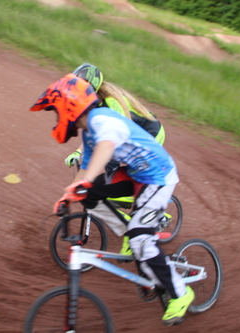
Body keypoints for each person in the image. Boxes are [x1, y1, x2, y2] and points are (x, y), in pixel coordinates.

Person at [29, 73, 194, 326]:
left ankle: (181, 293)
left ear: (69, 106)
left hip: (158, 176)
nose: (56, 118)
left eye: (56, 112)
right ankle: (130, 232)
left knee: (141, 238)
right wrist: (70, 192)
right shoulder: (88, 132)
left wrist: (83, 182)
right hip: (136, 174)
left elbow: (106, 147)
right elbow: (86, 169)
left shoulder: (101, 119)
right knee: (90, 192)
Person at [64, 63, 166, 168]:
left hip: (151, 133)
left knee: (133, 170)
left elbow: (119, 132)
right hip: (137, 132)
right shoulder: (93, 104)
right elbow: (92, 133)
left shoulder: (111, 102)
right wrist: (78, 152)